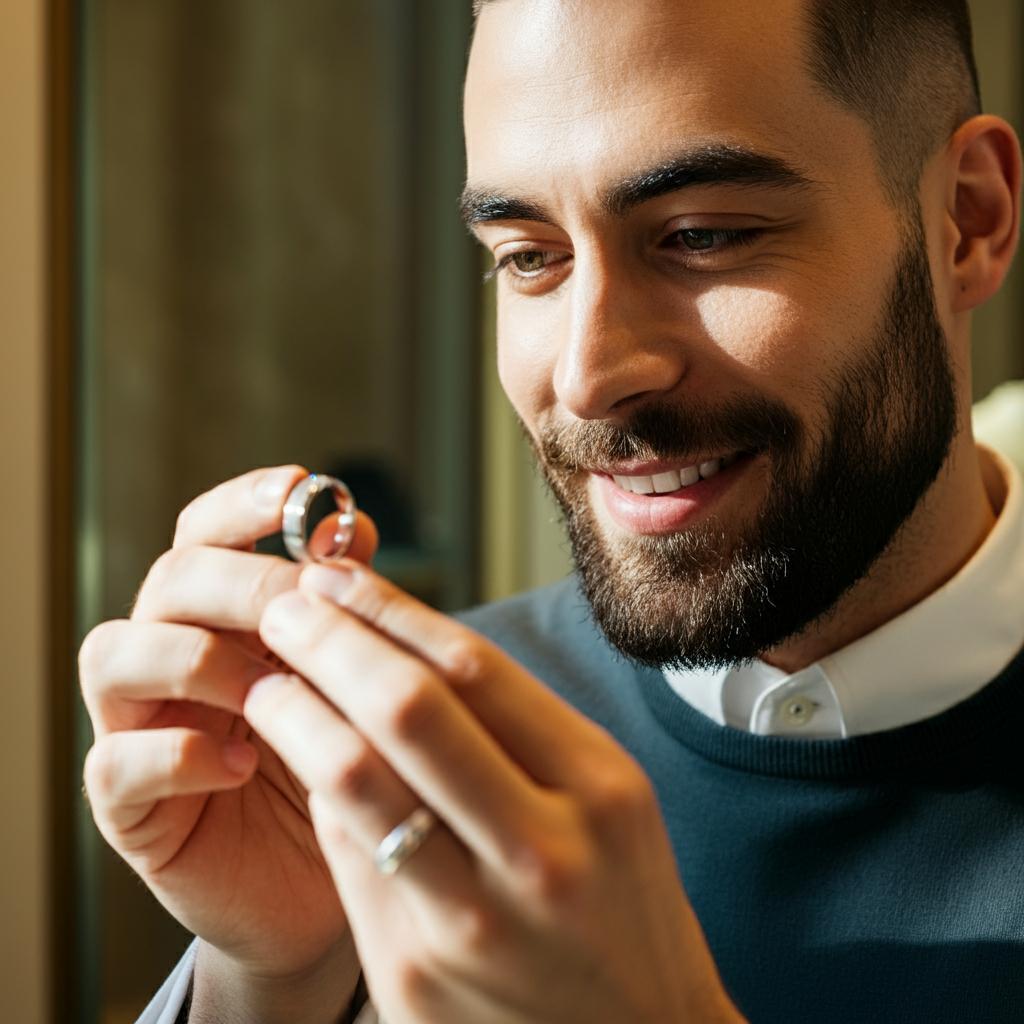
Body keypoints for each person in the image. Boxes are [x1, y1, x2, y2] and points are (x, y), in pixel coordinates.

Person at [78, 0, 1024, 1021]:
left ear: (966, 221)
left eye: (703, 235)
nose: (585, 376)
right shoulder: (404, 755)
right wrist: (273, 977)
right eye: (528, 256)